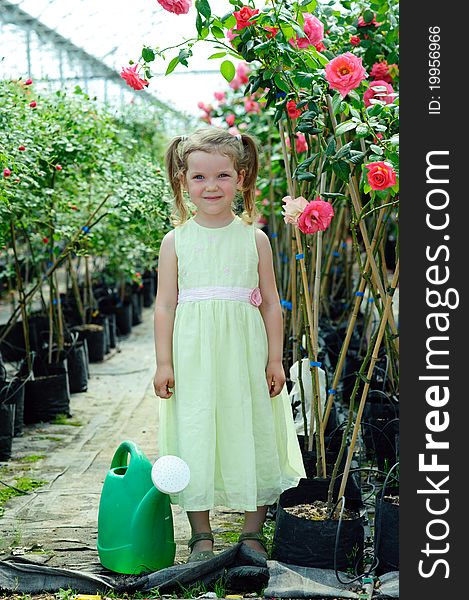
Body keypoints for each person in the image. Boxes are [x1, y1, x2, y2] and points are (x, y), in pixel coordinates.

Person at [153, 127, 305, 563]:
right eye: (199, 177)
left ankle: (252, 530)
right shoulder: (175, 241)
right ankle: (200, 532)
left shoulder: (254, 239)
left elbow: (272, 304)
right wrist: (164, 363)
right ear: (183, 181)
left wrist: (275, 358)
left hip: (245, 353)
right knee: (196, 428)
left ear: (240, 178)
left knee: (252, 424)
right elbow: (165, 306)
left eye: (222, 175)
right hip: (193, 354)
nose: (211, 186)